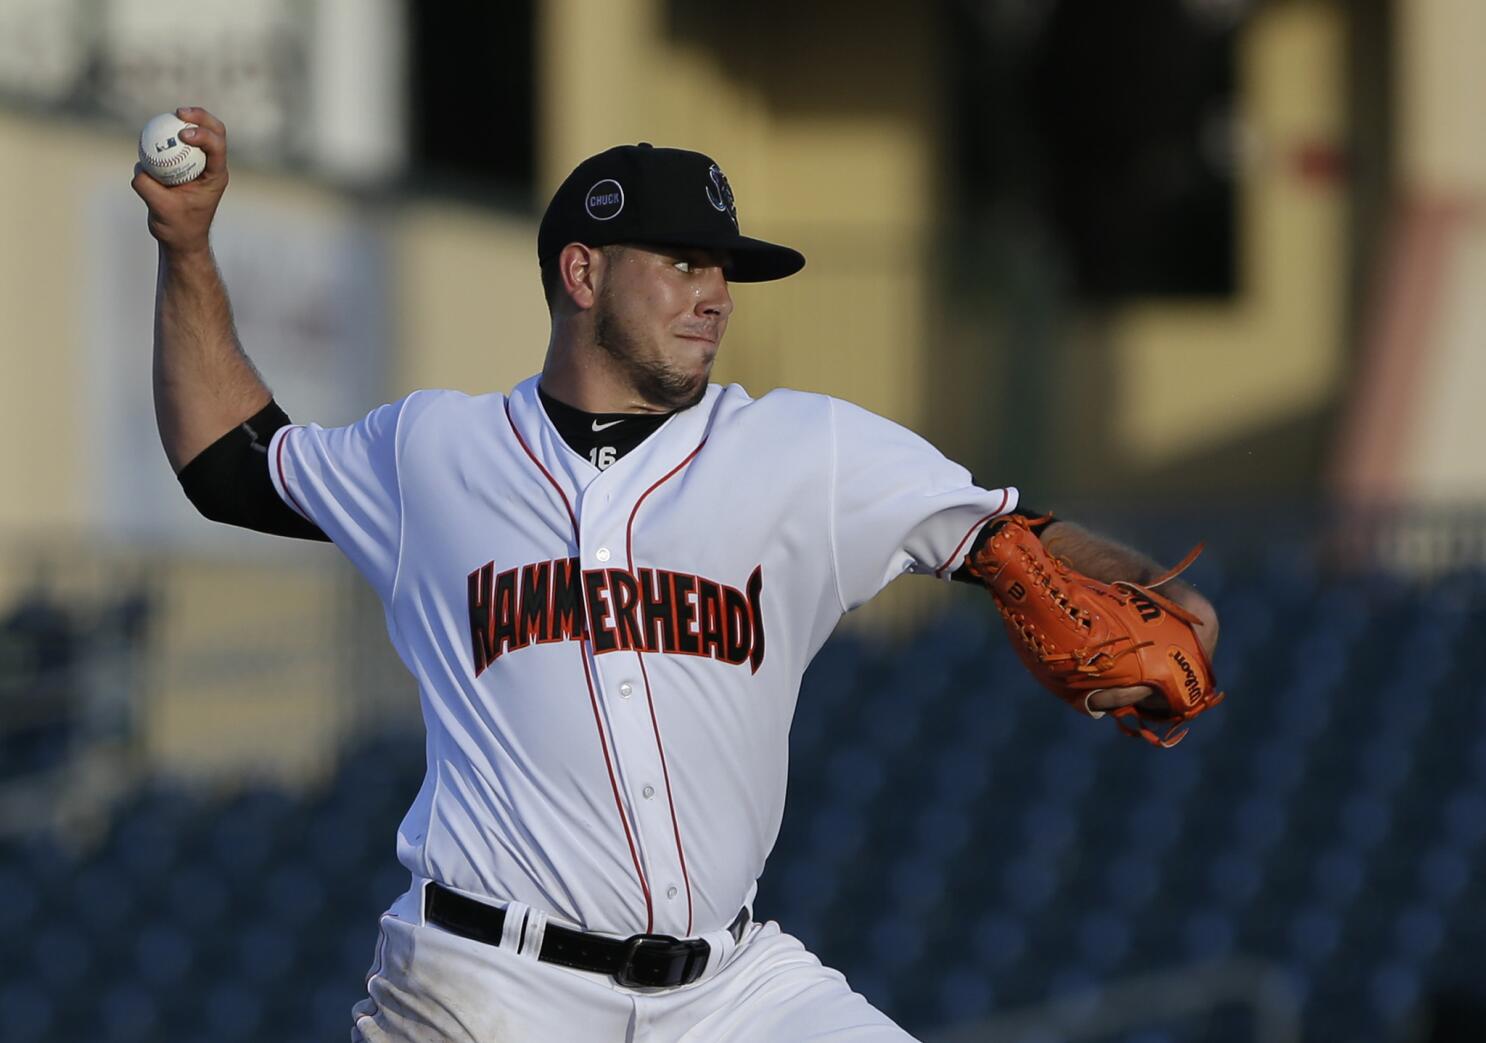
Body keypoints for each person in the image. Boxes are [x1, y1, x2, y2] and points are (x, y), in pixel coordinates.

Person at [133, 107, 1218, 1042]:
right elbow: (229, 464)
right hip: (487, 986)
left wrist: (1151, 589)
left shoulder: (805, 451)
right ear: (582, 270)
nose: (717, 293)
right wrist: (187, 248)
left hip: (731, 989)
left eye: (725, 269)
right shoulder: (433, 456)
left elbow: (1012, 536)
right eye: (684, 262)